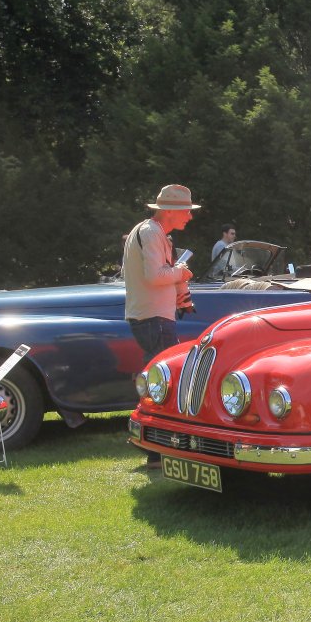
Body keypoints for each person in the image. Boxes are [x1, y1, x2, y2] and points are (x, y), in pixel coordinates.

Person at [123, 184, 199, 469]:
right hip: (153, 318)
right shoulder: (151, 233)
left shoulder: (151, 232)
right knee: (162, 383)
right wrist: (182, 273)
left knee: (159, 381)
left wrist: (179, 283)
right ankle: (156, 449)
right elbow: (155, 276)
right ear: (169, 211)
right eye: (186, 211)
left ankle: (154, 446)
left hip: (153, 317)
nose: (189, 217)